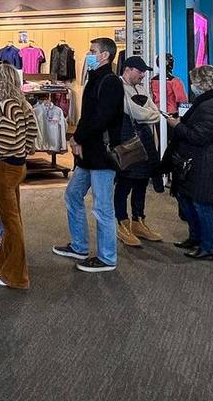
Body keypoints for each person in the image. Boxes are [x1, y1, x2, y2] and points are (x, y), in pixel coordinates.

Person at [54, 37, 124, 273]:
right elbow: (88, 116)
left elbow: (101, 117)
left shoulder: (110, 81)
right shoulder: (95, 79)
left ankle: (107, 257)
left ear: (104, 55)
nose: (89, 54)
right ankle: (80, 245)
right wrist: (78, 138)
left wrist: (77, 137)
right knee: (73, 194)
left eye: (93, 51)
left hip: (101, 156)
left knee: (103, 207)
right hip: (88, 155)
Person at [0, 62, 37, 289]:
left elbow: (7, 137)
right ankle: (4, 263)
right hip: (16, 166)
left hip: (3, 167)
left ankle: (15, 274)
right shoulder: (21, 103)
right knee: (12, 217)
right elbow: (31, 133)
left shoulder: (7, 105)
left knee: (11, 221)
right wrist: (25, 149)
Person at [167, 65, 213, 260]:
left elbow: (200, 136)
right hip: (200, 160)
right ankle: (196, 238)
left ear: (202, 83)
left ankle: (209, 246)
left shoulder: (210, 104)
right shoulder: (207, 102)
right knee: (189, 200)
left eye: (194, 82)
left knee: (201, 204)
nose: (192, 86)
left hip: (206, 162)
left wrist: (177, 126)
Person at [115, 55, 163, 247]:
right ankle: (122, 223)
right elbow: (138, 112)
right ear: (128, 69)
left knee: (142, 182)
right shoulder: (118, 88)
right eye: (140, 71)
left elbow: (154, 112)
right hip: (127, 143)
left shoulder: (141, 87)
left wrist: (152, 114)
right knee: (125, 184)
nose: (142, 75)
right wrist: (152, 114)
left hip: (146, 142)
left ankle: (138, 221)